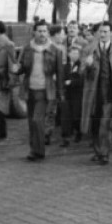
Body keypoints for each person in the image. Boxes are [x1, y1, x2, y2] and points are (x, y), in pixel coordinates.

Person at [15, 20, 65, 161]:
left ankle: (38, 151)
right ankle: (34, 149)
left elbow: (60, 74)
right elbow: (22, 67)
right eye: (40, 31)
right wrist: (16, 70)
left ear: (48, 33)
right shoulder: (27, 48)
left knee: (38, 120)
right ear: (34, 32)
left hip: (45, 91)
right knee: (31, 122)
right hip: (29, 89)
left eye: (44, 31)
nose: (42, 34)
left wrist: (60, 93)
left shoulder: (55, 51)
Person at [80, 21, 112, 165]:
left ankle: (104, 152)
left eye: (106, 31)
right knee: (94, 124)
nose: (103, 34)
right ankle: (97, 151)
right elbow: (82, 74)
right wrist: (86, 65)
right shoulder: (89, 50)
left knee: (105, 125)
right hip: (94, 95)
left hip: (110, 95)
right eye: (100, 31)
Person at [60, 45, 84, 146]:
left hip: (77, 94)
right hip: (67, 94)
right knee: (66, 117)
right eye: (73, 53)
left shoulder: (81, 66)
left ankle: (79, 132)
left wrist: (72, 82)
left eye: (77, 53)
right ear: (69, 54)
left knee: (76, 116)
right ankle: (66, 138)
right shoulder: (65, 66)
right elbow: (61, 78)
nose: (75, 55)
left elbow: (82, 80)